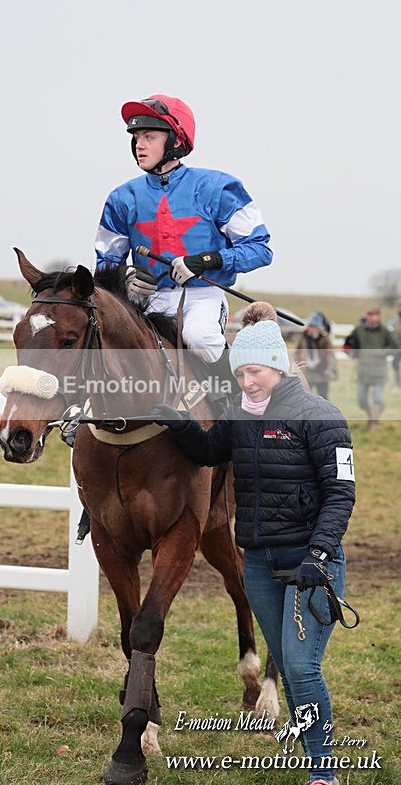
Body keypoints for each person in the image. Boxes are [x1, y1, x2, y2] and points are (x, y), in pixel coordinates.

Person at [153, 302, 356, 785]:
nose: (247, 382)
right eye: (240, 372)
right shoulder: (237, 416)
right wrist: (179, 422)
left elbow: (341, 492)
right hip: (261, 565)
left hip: (312, 563)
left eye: (256, 371)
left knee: (302, 670)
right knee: (285, 661)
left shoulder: (322, 416)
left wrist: (321, 553)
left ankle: (322, 773)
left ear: (279, 367)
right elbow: (208, 452)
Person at [95, 93, 273, 371]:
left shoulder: (219, 188)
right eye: (136, 137)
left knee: (198, 337)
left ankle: (238, 400)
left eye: (149, 137)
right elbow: (106, 262)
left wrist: (206, 261)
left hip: (202, 297)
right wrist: (126, 278)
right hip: (145, 299)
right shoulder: (121, 198)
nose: (139, 145)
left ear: (176, 141)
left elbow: (260, 249)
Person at [343, 307, 396, 429]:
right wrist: (351, 352)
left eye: (374, 315)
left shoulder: (384, 331)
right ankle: (372, 415)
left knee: (377, 398)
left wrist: (380, 353)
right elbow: (348, 344)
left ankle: (373, 423)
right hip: (363, 370)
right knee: (361, 400)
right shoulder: (359, 330)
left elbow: (395, 347)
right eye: (369, 315)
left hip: (379, 370)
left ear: (379, 316)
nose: (371, 317)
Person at [295, 311, 337, 400]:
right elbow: (297, 353)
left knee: (323, 398)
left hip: (322, 372)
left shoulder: (324, 339)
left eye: (313, 327)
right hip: (308, 371)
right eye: (310, 326)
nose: (311, 329)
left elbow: (330, 355)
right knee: (306, 397)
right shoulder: (303, 337)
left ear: (318, 328)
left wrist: (330, 368)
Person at [390, 301, 401, 387]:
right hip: (397, 346)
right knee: (395, 363)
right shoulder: (394, 318)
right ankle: (397, 381)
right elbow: (389, 329)